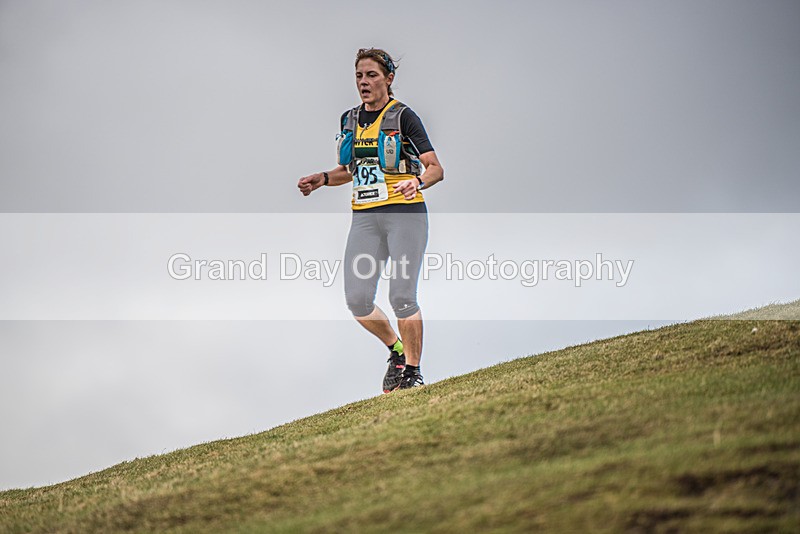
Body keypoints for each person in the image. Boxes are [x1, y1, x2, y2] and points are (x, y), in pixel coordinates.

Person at [298, 48, 444, 392]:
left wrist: (417, 181)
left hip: (404, 214)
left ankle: (412, 372)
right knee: (357, 299)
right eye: (359, 76)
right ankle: (396, 351)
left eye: (372, 75)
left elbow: (436, 168)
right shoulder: (348, 119)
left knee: (402, 296)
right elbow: (349, 170)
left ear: (389, 79)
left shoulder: (404, 116)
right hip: (364, 219)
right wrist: (322, 178)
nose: (364, 82)